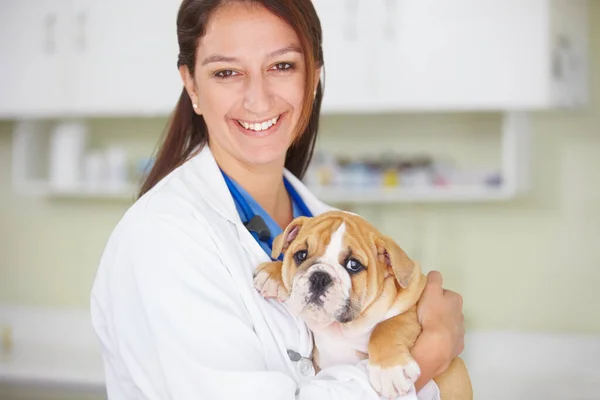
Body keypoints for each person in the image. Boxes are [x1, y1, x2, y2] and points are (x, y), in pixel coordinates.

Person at [90, 0, 465, 399]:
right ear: (192, 86)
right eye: (227, 72)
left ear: (313, 78)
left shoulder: (331, 227)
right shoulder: (162, 238)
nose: (259, 98)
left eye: (282, 66)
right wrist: (429, 355)